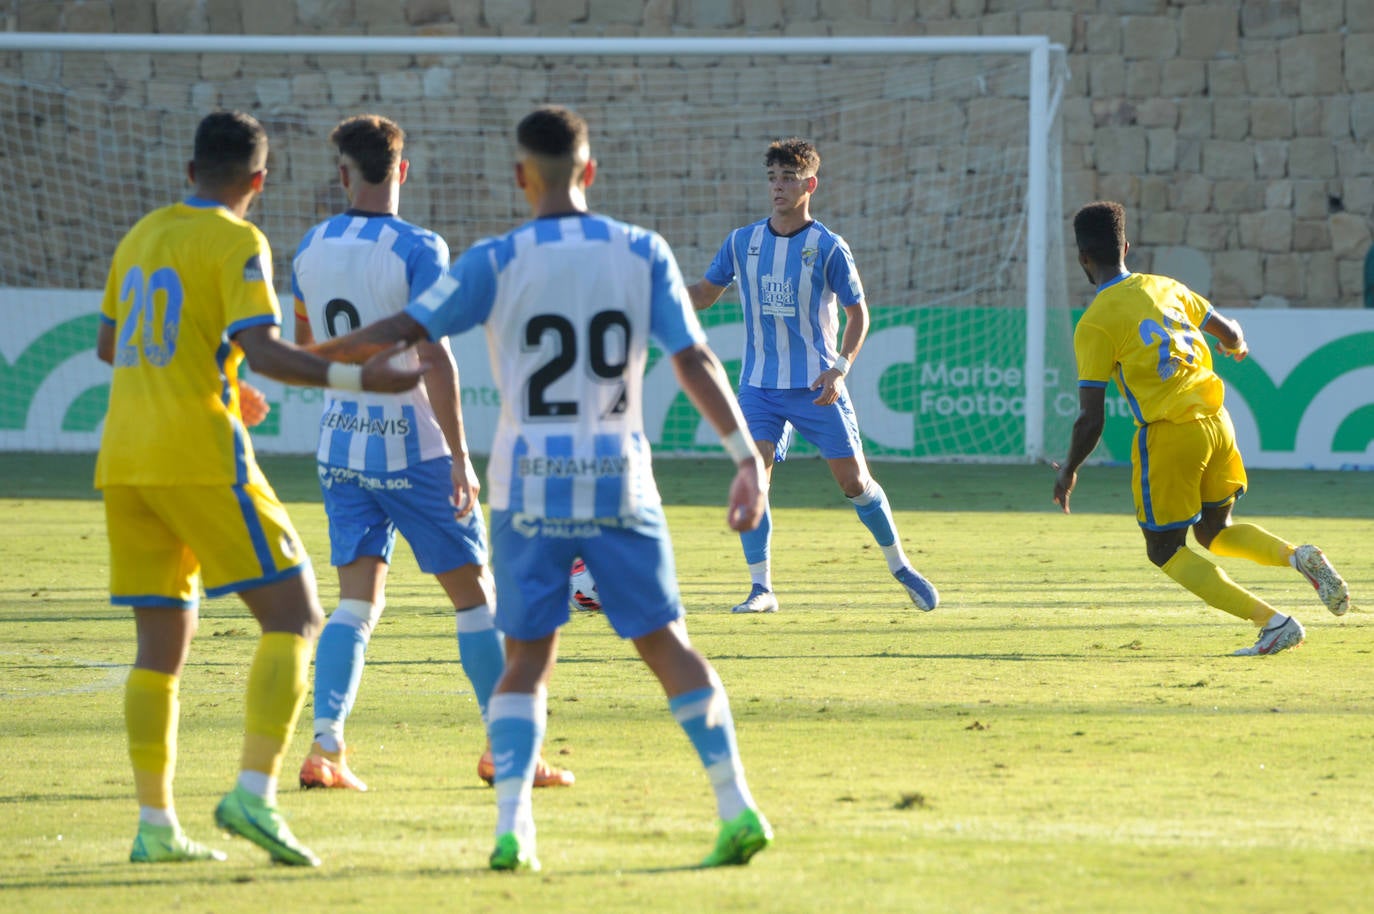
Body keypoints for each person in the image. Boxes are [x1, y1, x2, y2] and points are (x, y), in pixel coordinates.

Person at [310, 104, 774, 872]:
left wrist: (299, 355)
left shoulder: (495, 259)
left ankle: (514, 831)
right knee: (668, 647)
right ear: (589, 171)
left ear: (522, 177)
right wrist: (744, 458)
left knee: (525, 658)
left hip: (528, 491)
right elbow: (693, 360)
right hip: (620, 484)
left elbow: (403, 331)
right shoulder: (641, 250)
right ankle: (737, 806)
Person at [95, 110, 423, 866]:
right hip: (199, 457)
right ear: (259, 181)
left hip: (124, 462)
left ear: (189, 173)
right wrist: (358, 374)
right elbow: (267, 350)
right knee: (298, 616)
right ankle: (253, 792)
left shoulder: (143, 234)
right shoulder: (239, 239)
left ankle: (155, 826)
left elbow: (113, 343)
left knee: (158, 650)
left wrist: (215, 373)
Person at [290, 114, 572, 792]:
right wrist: (459, 455)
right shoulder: (420, 246)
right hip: (412, 449)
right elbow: (434, 356)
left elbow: (307, 349)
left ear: (343, 173)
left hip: (339, 447)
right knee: (477, 600)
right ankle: (508, 751)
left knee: (355, 605)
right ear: (402, 170)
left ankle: (325, 747)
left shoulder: (310, 244)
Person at [1053, 200, 1352, 656]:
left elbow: (1092, 416)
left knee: (1164, 550)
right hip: (1218, 424)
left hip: (1172, 433)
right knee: (1215, 532)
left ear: (1083, 259)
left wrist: (1069, 468)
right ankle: (1297, 556)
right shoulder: (1167, 287)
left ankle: (1273, 623)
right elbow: (1229, 332)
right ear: (1127, 247)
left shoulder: (1095, 323)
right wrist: (1238, 347)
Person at [686, 137, 938, 614]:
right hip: (759, 386)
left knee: (854, 483)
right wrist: (654, 294)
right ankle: (761, 588)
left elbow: (858, 315)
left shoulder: (828, 247)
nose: (777, 187)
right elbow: (703, 293)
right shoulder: (742, 242)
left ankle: (900, 565)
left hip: (816, 388)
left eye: (787, 178)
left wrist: (839, 369)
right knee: (753, 477)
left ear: (810, 184)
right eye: (772, 178)